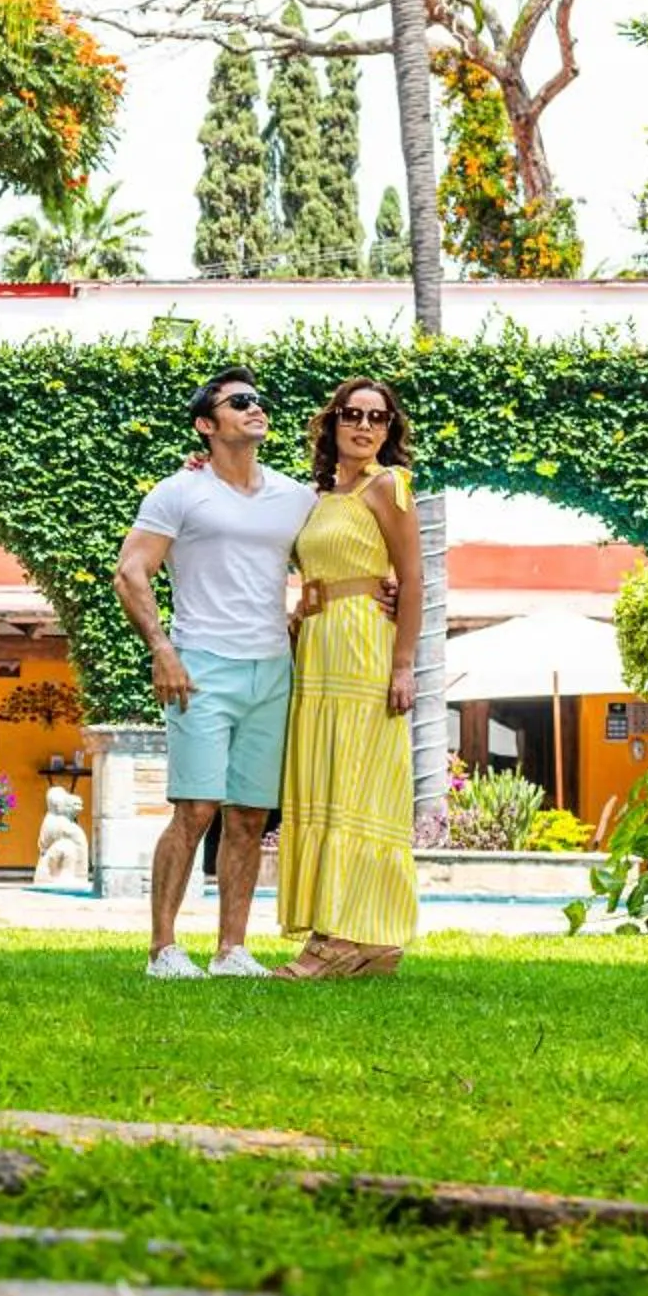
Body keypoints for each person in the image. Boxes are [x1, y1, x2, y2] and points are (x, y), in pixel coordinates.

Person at [115, 370, 313, 979]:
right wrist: (162, 649)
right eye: (239, 403)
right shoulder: (178, 491)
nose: (256, 409)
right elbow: (131, 571)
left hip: (272, 669)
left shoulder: (295, 497)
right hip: (200, 666)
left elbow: (331, 554)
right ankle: (163, 950)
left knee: (250, 815)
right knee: (196, 808)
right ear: (206, 424)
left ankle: (232, 950)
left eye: (258, 402)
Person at [275, 378, 421, 977]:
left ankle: (343, 936)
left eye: (379, 418)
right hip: (317, 648)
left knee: (357, 784)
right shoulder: (316, 495)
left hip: (364, 646)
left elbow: (411, 578)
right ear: (331, 422)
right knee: (325, 779)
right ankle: (358, 941)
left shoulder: (389, 485)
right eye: (353, 415)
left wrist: (405, 663)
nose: (365, 427)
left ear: (390, 430)